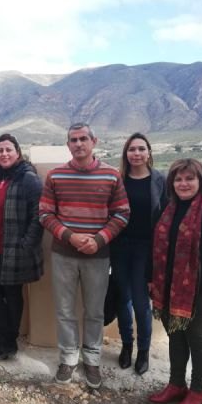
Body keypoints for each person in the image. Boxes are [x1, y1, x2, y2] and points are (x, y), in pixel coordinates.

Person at [39, 122, 130, 388]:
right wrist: (71, 236)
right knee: (65, 310)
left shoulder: (112, 175)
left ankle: (91, 359)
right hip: (63, 254)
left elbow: (122, 213)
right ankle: (68, 358)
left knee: (94, 311)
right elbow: (45, 213)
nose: (78, 144)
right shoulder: (55, 176)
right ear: (68, 145)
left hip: (98, 256)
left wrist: (99, 239)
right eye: (73, 140)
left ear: (94, 141)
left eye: (83, 139)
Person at [148, 158, 202, 404]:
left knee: (196, 337)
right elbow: (153, 249)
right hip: (166, 286)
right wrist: (150, 278)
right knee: (175, 335)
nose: (183, 184)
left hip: (199, 289)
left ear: (201, 181)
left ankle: (198, 390)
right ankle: (176, 384)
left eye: (189, 178)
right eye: (178, 179)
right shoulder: (164, 208)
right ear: (171, 183)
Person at [0, 133, 44, 364]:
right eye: (0, 150)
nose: (4, 154)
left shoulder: (28, 179)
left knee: (12, 295)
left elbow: (39, 216)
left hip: (15, 250)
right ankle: (5, 340)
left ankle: (6, 344)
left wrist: (26, 245)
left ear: (18, 152)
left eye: (8, 149)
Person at [112, 133, 166, 375]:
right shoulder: (118, 179)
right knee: (122, 299)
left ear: (149, 152)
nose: (136, 153)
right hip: (120, 245)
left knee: (141, 301)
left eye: (141, 149)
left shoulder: (160, 181)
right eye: (131, 149)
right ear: (126, 154)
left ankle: (143, 351)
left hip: (146, 247)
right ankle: (126, 346)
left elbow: (167, 215)